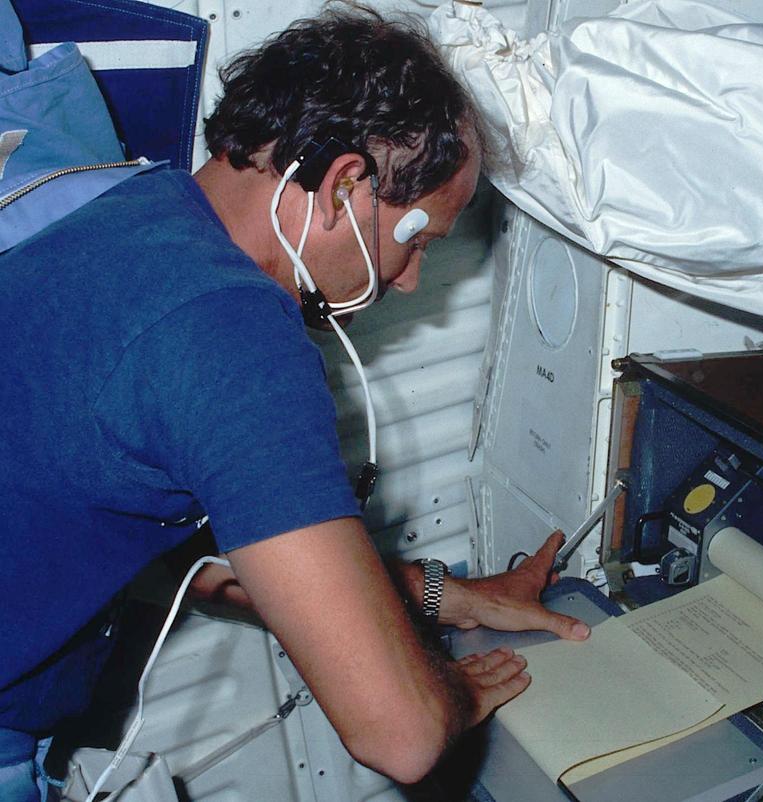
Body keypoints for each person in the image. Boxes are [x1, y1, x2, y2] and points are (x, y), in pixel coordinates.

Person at [0, 5, 589, 800]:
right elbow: (402, 737)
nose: (411, 278)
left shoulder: (129, 210)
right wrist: (453, 691)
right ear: (345, 185)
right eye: (417, 239)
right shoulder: (232, 336)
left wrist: (449, 596)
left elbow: (205, 564)